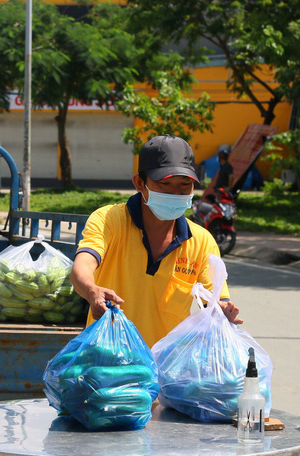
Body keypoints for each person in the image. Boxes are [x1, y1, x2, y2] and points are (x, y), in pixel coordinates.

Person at [70, 135, 242, 347]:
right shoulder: (109, 220)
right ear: (140, 183)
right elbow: (83, 265)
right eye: (165, 184)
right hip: (108, 360)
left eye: (184, 185)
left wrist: (223, 310)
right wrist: (91, 291)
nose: (175, 193)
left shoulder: (201, 241)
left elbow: (214, 299)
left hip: (166, 368)